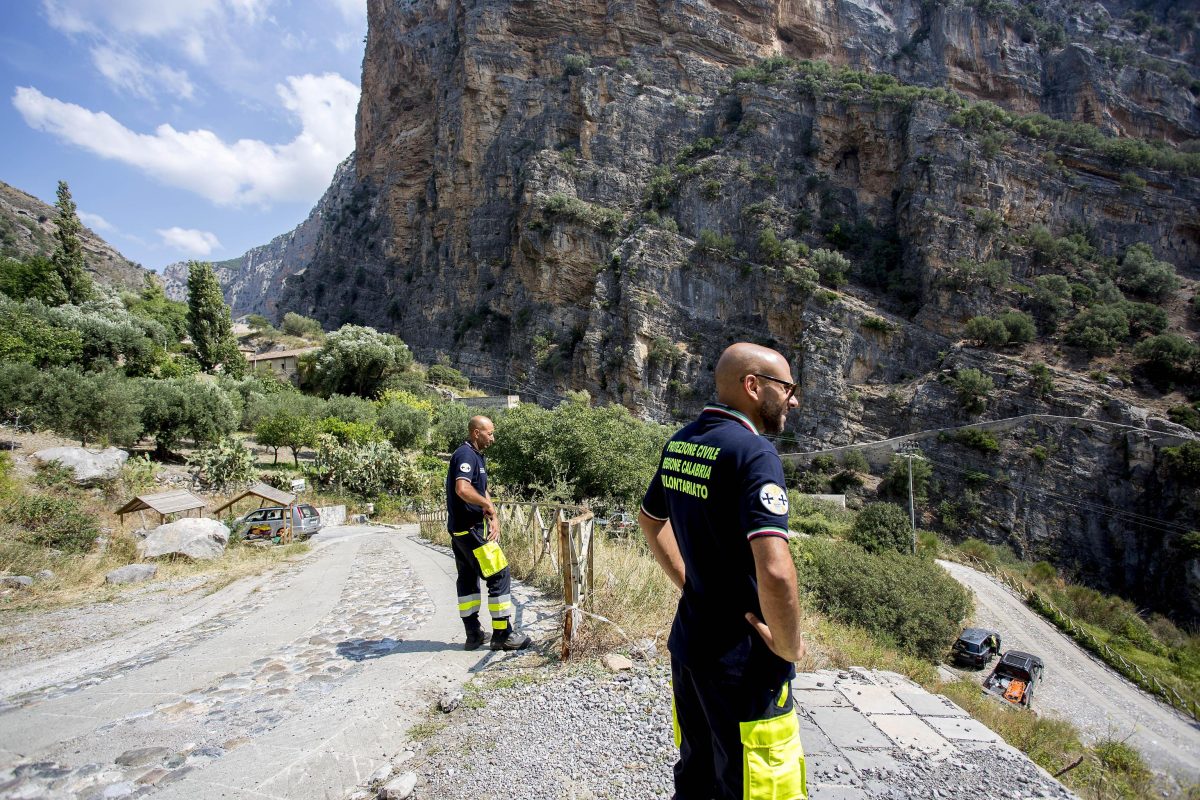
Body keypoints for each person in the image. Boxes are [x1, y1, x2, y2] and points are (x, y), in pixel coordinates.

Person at [639, 342, 808, 800]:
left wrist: (690, 582)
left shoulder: (681, 442)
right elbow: (775, 571)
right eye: (787, 387)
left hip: (691, 645)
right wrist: (790, 646)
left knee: (697, 775)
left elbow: (650, 519)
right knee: (758, 786)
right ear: (753, 387)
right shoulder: (755, 455)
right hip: (744, 662)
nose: (793, 400)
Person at [446, 415, 531, 651]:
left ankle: (473, 635)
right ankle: (503, 635)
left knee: (467, 579)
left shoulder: (476, 457)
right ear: (476, 433)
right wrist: (488, 507)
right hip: (472, 529)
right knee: (499, 574)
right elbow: (462, 489)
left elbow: (481, 489)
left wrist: (493, 515)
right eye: (489, 433)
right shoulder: (465, 455)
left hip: (460, 530)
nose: (492, 438)